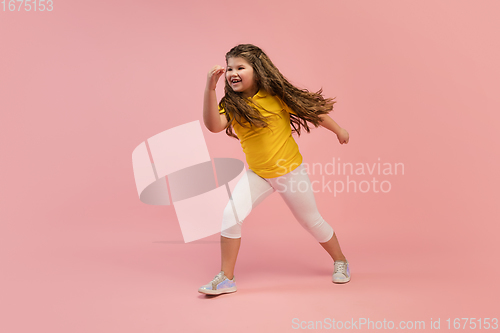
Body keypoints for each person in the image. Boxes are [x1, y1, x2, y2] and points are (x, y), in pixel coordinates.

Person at [199, 44, 350, 296]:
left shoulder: (276, 96)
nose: (233, 72)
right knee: (230, 215)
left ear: (256, 71)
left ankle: (341, 261)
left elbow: (314, 114)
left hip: (290, 171)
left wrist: (338, 130)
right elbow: (214, 125)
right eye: (229, 68)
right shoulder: (232, 103)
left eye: (240, 67)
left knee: (311, 221)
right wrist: (209, 89)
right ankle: (226, 278)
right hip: (258, 174)